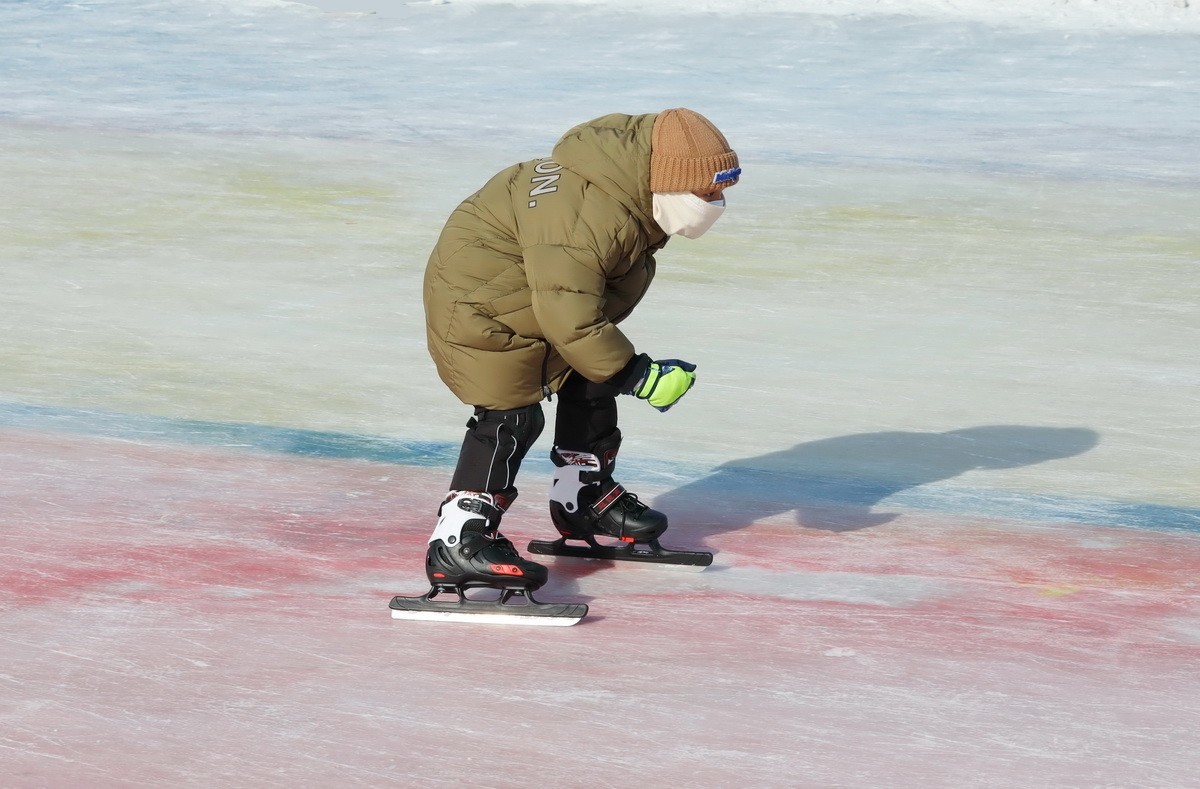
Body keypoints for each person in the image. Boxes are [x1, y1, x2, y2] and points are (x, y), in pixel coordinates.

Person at [421, 108, 740, 599]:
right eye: (708, 193)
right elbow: (568, 314)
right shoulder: (586, 214)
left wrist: (616, 369)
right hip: (482, 315)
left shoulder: (620, 197)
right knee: (510, 417)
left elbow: (571, 307)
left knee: (590, 379)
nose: (716, 205)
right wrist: (638, 374)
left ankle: (582, 498)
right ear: (668, 181)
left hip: (528, 304)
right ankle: (458, 540)